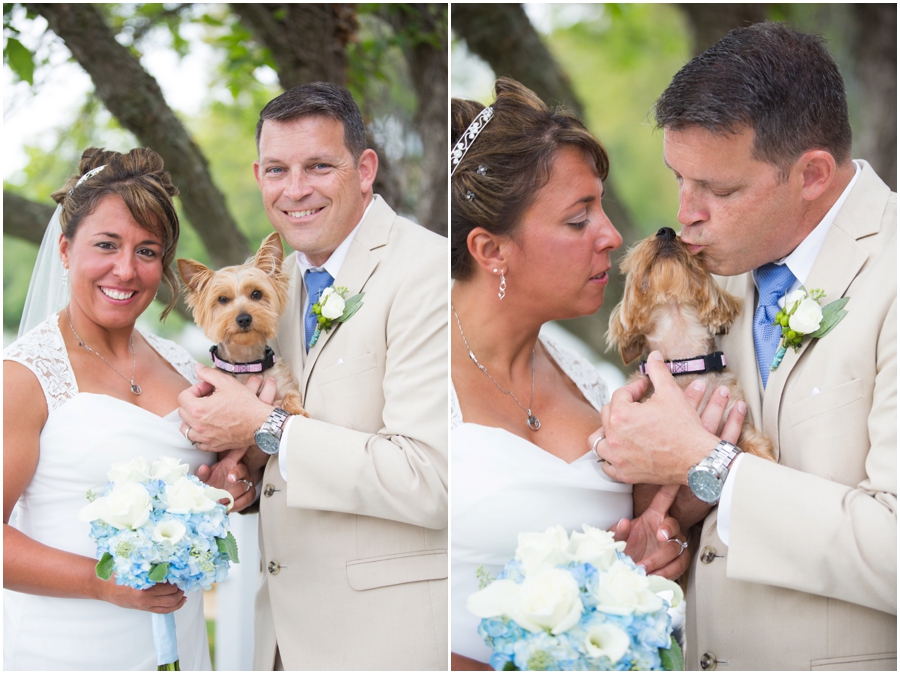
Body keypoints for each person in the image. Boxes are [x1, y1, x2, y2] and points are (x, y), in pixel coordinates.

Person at [592, 22, 896, 670]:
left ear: (811, 174)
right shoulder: (714, 274)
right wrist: (671, 524)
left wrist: (708, 465)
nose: (686, 213)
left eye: (720, 190)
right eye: (679, 177)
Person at [449, 77, 745, 670]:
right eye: (579, 219)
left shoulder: (584, 373)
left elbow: (638, 540)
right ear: (491, 250)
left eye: (602, 208)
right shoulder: (412, 375)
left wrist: (659, 546)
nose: (612, 236)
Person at [176, 82, 449, 670]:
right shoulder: (282, 280)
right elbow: (289, 454)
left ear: (365, 168)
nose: (295, 189)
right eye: (277, 169)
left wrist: (265, 425)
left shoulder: (426, 270)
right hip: (279, 638)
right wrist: (244, 477)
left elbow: (429, 478)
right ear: (258, 176)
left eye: (319, 166)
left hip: (383, 642)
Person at [3, 147, 255, 670]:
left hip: (176, 642)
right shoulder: (24, 377)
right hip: (67, 649)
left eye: (147, 251)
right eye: (106, 245)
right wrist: (101, 583)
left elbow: (207, 486)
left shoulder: (182, 364)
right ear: (66, 249)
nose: (126, 269)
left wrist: (226, 488)